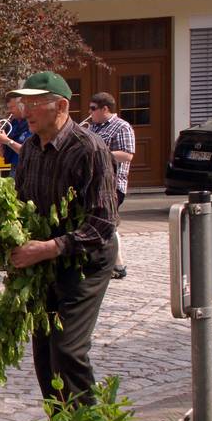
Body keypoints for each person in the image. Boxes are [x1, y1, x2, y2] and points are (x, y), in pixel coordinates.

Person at [7, 71, 118, 405]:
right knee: (44, 353)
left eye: (34, 103)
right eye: (23, 102)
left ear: (61, 106)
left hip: (86, 261)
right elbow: (21, 205)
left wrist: (50, 248)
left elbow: (103, 223)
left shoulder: (89, 149)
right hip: (46, 261)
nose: (24, 110)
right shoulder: (29, 148)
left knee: (67, 349)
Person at [86, 92, 134, 280]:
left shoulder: (121, 127)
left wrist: (99, 154)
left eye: (93, 109)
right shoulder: (94, 127)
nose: (89, 113)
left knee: (107, 223)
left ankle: (118, 265)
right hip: (95, 183)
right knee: (103, 223)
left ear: (105, 108)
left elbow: (127, 154)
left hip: (113, 184)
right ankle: (113, 264)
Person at [0, 95, 32, 178]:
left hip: (28, 169)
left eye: (12, 107)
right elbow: (4, 154)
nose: (9, 111)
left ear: (22, 106)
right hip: (14, 169)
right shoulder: (13, 123)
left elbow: (28, 151)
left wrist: (7, 141)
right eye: (8, 108)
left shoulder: (31, 124)